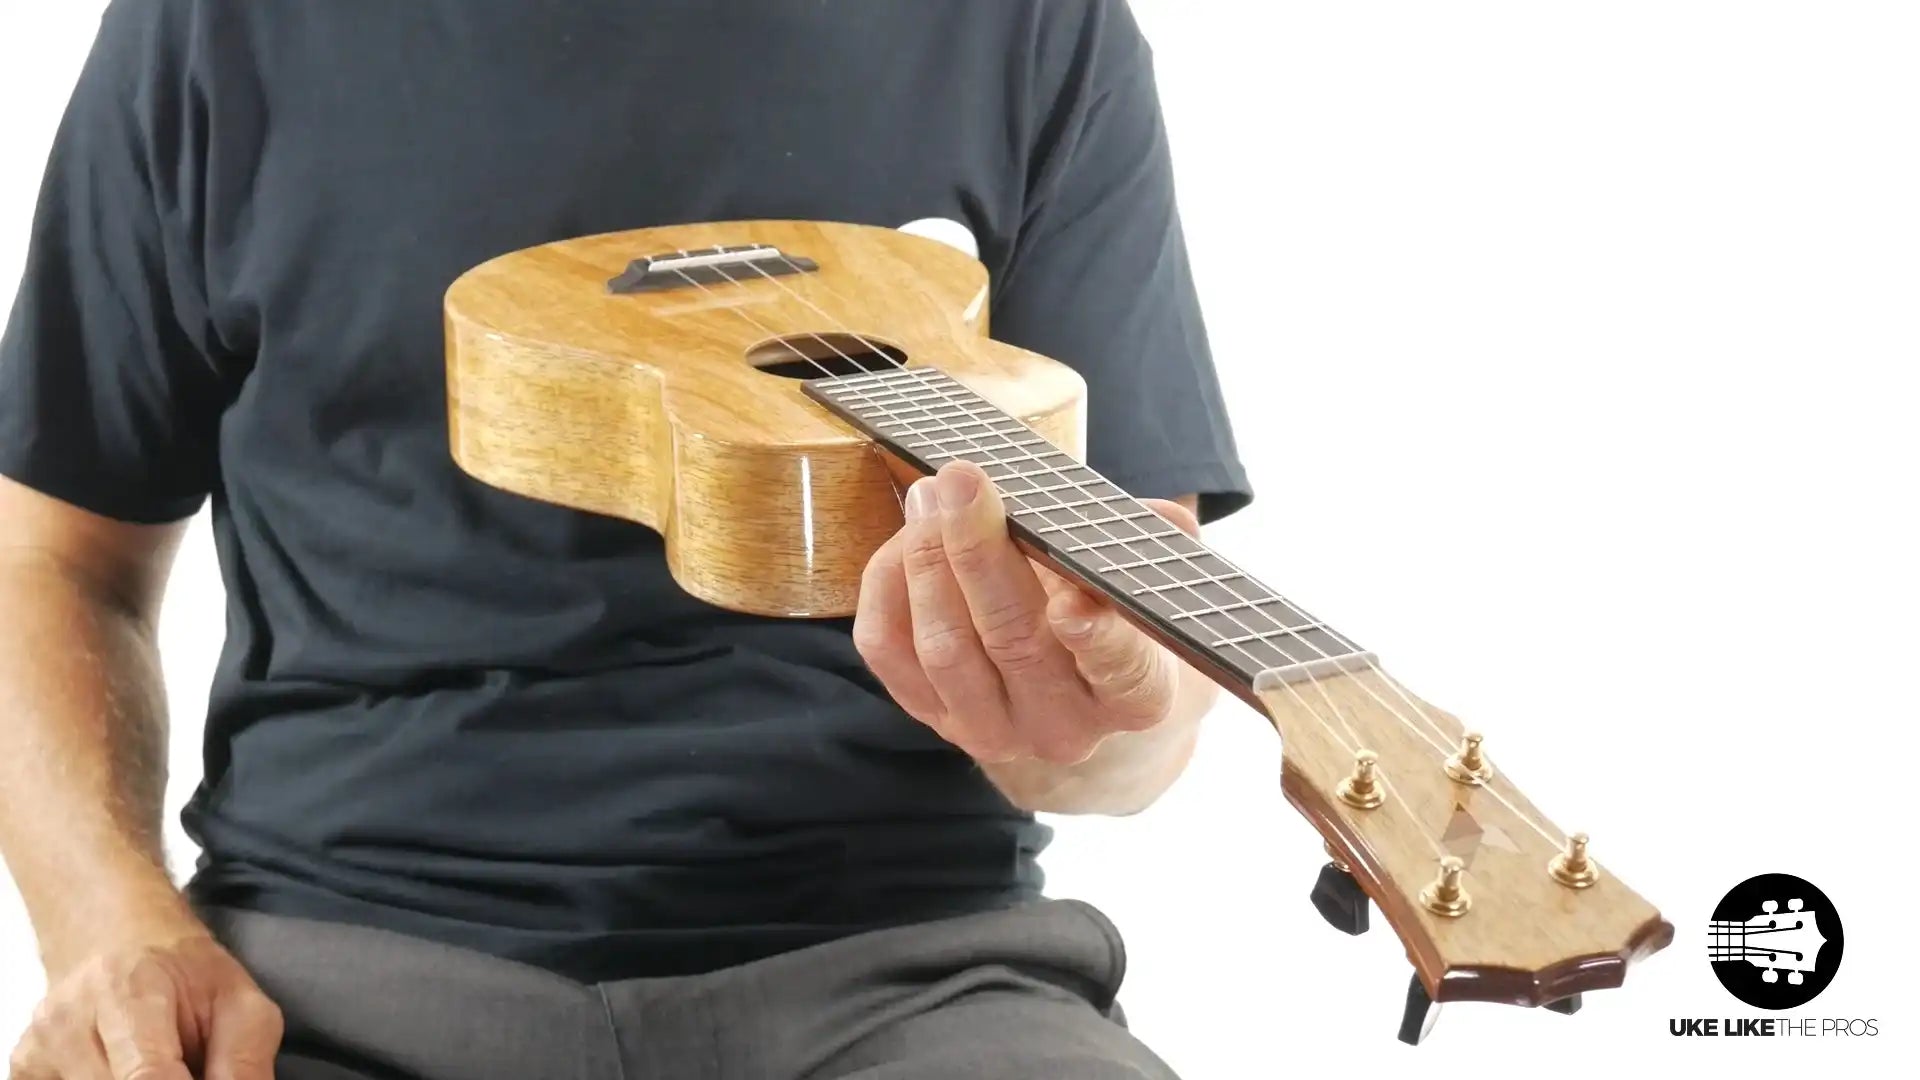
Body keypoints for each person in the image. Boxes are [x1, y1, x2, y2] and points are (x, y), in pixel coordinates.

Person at [0, 2, 1249, 1077]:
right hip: (335, 977)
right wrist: (107, 927)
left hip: (908, 972)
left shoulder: (1023, 26)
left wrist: (1093, 723)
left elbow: (1141, 668)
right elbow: (50, 559)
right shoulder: (220, 27)